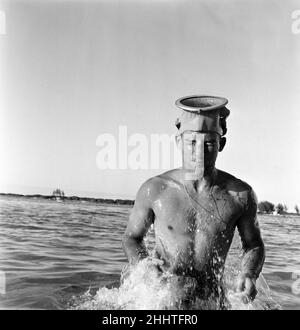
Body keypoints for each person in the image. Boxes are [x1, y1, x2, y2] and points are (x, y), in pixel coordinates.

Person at [122, 95, 265, 309]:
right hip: (164, 302)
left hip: (212, 302)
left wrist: (248, 274)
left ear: (221, 144)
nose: (198, 153)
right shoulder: (155, 190)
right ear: (178, 141)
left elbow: (254, 245)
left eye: (208, 143)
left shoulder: (241, 195)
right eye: (191, 142)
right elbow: (132, 238)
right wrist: (145, 266)